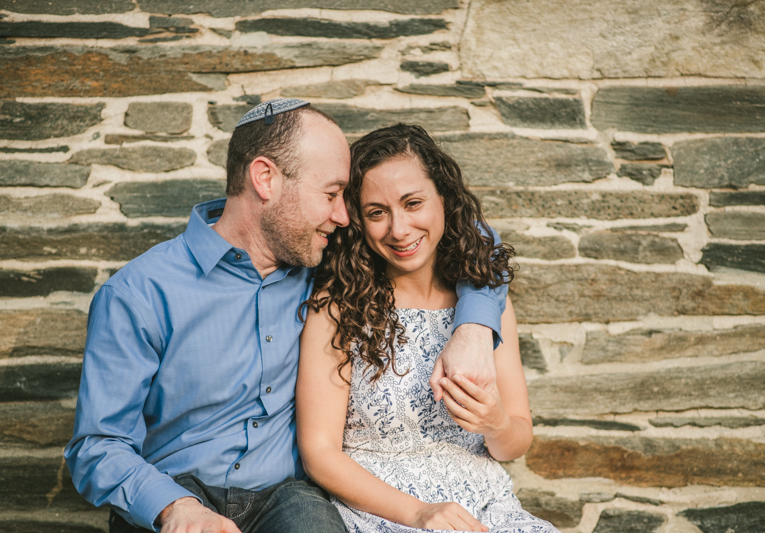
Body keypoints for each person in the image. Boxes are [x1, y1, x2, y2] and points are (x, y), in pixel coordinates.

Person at [64, 100, 507, 533]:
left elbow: (473, 240)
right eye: (332, 194)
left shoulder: (329, 263)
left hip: (287, 497)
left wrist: (473, 328)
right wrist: (174, 507)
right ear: (265, 179)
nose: (342, 215)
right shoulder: (138, 293)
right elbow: (97, 445)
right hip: (173, 495)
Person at [296, 124, 559, 533]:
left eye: (413, 203)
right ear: (359, 222)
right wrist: (418, 513)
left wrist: (496, 424)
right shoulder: (338, 306)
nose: (399, 229)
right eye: (376, 213)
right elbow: (319, 452)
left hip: (484, 507)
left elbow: (516, 441)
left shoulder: (486, 308)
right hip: (379, 510)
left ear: (444, 200)